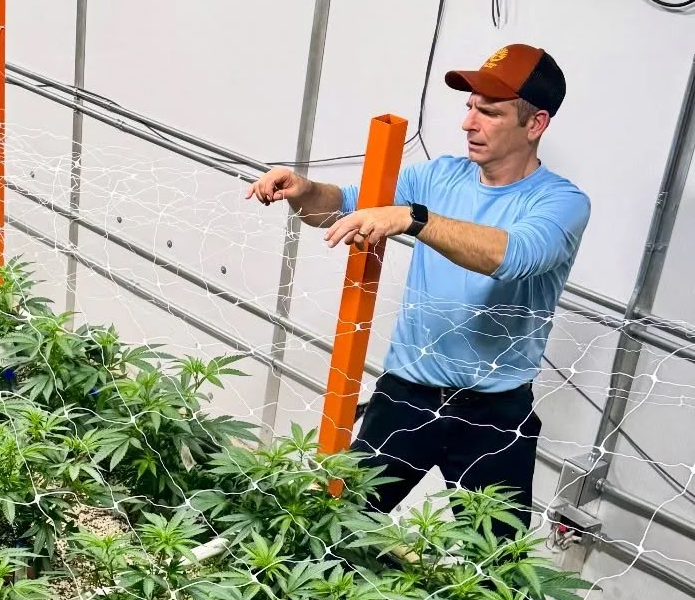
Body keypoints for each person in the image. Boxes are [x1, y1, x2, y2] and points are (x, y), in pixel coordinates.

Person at [248, 45, 589, 525]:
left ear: (535, 124)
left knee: (495, 574)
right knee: (335, 532)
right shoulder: (437, 177)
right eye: (469, 107)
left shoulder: (561, 203)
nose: (468, 123)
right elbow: (346, 206)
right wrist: (305, 191)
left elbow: (514, 256)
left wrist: (414, 218)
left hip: (493, 415)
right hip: (407, 394)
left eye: (488, 112)